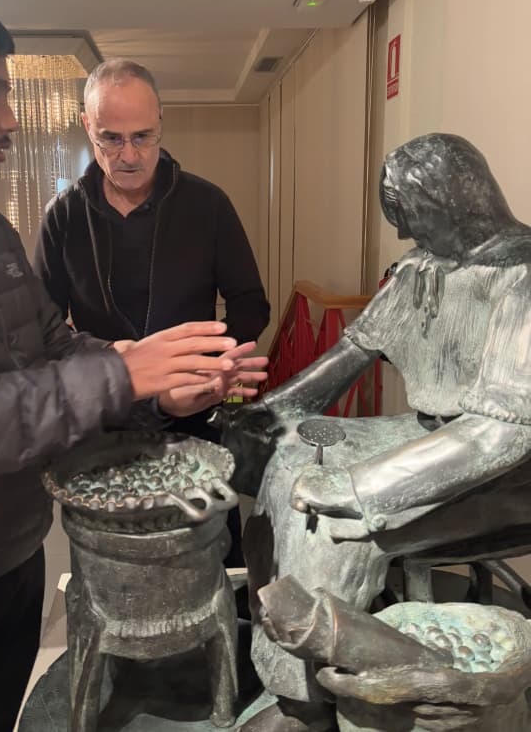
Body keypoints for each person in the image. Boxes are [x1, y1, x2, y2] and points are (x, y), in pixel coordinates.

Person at [0, 0, 267, 732]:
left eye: (144, 136)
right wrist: (128, 373)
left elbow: (53, 345)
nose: (10, 118)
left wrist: (164, 389)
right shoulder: (57, 215)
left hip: (12, 555)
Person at [218, 133, 531, 732]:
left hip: (506, 468)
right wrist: (263, 415)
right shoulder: (422, 268)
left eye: (414, 221)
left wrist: (363, 488)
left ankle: (308, 706)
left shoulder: (522, 273)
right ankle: (286, 663)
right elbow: (350, 354)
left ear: (450, 205)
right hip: (434, 434)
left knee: (333, 521)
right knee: (285, 455)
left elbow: (500, 436)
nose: (408, 240)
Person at [34, 57, 270, 563]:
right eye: (110, 139)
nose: (128, 155)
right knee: (111, 567)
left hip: (196, 414)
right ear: (86, 127)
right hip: (106, 419)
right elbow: (42, 328)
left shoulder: (207, 204)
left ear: (162, 120)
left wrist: (210, 365)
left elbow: (251, 304)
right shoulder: (64, 216)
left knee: (214, 563)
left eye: (142, 136)